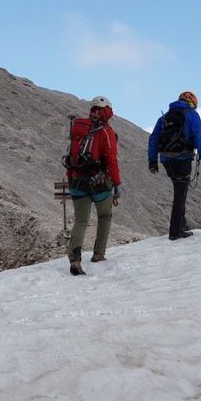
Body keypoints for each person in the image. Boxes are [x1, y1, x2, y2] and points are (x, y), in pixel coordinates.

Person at [64, 96, 122, 275]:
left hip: (77, 180)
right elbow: (111, 159)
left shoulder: (78, 127)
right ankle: (98, 253)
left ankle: (75, 259)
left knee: (81, 220)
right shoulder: (105, 131)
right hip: (99, 183)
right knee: (104, 215)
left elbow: (71, 155)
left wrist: (71, 178)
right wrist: (116, 183)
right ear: (107, 111)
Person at [147, 90, 201, 240]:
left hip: (166, 160)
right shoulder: (192, 115)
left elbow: (153, 139)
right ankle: (176, 231)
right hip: (183, 158)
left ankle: (180, 225)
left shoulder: (164, 118)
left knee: (179, 191)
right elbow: (198, 137)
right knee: (180, 194)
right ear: (193, 104)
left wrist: (152, 161)